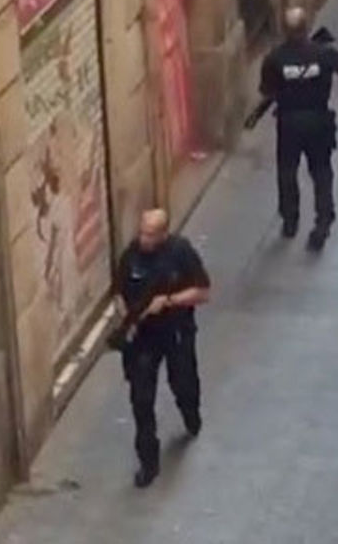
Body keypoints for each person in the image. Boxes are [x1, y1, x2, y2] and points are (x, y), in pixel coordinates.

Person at [115, 209, 211, 487]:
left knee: (182, 381)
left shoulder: (180, 253)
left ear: (163, 233)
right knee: (141, 400)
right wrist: (125, 316)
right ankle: (148, 462)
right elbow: (119, 291)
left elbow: (203, 292)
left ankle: (190, 413)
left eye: (150, 234)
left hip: (176, 331)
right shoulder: (131, 255)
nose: (143, 239)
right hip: (144, 338)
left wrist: (169, 301)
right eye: (141, 232)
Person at [259, 7, 338, 251]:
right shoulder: (323, 53)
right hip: (318, 120)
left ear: (284, 30)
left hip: (289, 122)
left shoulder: (275, 58)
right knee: (321, 171)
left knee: (287, 171)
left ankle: (290, 220)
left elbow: (266, 90)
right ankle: (322, 222)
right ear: (307, 26)